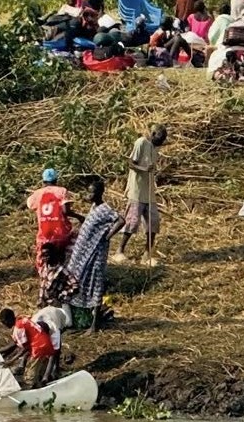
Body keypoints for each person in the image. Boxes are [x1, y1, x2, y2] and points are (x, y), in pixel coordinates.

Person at [69, 179, 123, 331]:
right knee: (80, 283)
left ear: (99, 193)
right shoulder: (94, 207)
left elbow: (121, 220)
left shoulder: (105, 209)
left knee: (96, 286)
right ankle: (83, 320)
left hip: (96, 254)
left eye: (91, 192)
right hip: (84, 254)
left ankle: (94, 325)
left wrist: (107, 236)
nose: (89, 195)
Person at [117, 124, 167, 264]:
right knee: (132, 222)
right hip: (137, 191)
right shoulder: (141, 143)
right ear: (152, 134)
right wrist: (144, 169)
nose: (160, 143)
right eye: (159, 139)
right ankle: (119, 251)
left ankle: (147, 254)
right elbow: (131, 163)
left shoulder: (155, 148)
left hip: (149, 192)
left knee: (153, 222)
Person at [27, 168, 78, 270]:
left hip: (44, 233)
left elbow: (30, 205)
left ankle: (44, 275)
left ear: (43, 181)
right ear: (56, 180)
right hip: (61, 232)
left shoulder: (37, 194)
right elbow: (65, 211)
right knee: (68, 249)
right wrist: (80, 217)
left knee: (43, 256)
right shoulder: (62, 191)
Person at [0, 308, 57, 389]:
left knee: (29, 378)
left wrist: (11, 361)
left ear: (7, 320)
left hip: (39, 347)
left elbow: (25, 348)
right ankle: (39, 386)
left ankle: (33, 392)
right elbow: (21, 345)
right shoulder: (22, 319)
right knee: (35, 372)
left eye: (4, 322)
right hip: (45, 344)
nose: (4, 325)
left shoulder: (18, 328)